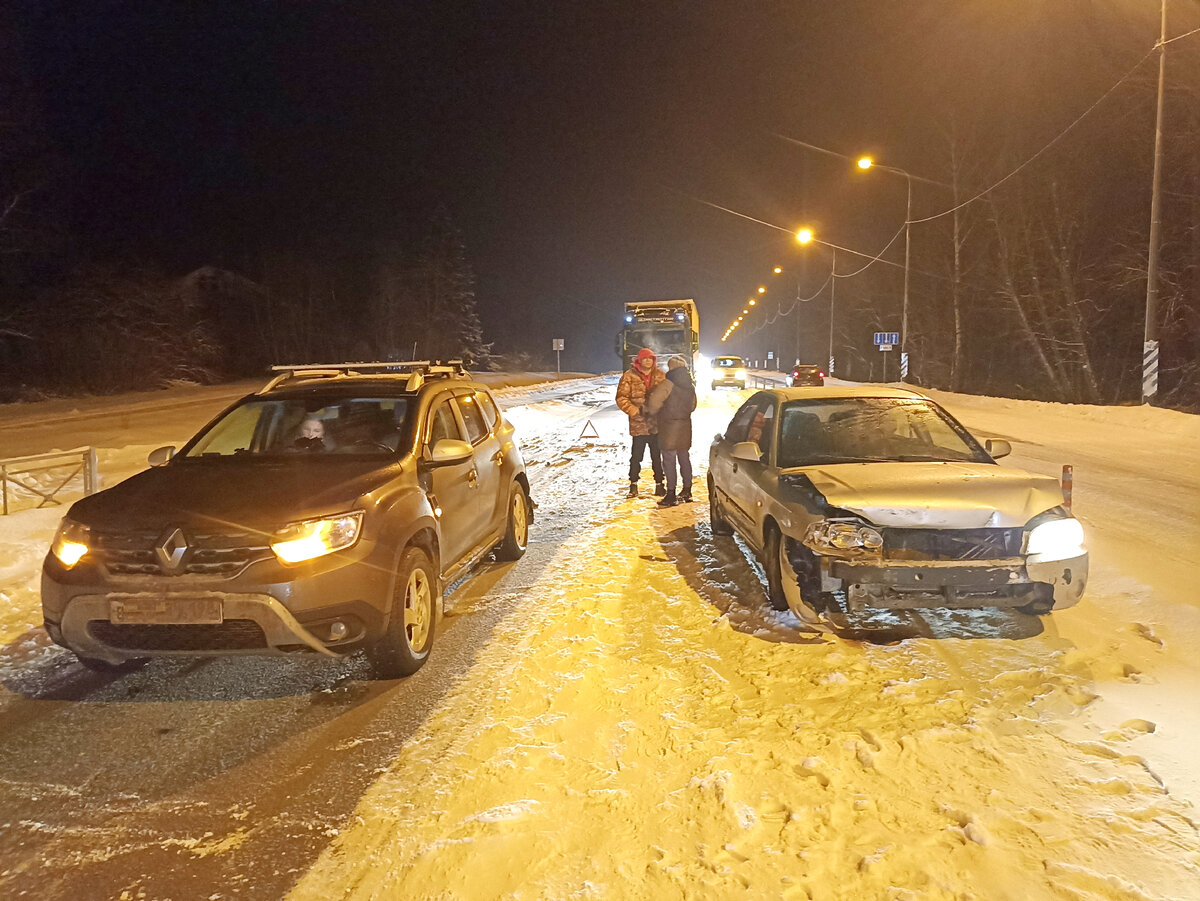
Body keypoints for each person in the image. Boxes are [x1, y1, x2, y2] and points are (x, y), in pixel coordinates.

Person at [645, 354, 697, 506]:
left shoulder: (668, 384)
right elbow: (693, 406)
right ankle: (687, 490)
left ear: (671, 367)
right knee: (684, 457)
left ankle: (671, 494)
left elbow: (654, 403)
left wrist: (660, 412)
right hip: (685, 425)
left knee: (669, 460)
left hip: (668, 426)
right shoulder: (690, 385)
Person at [615, 347, 666, 498]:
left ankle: (659, 484)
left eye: (651, 358)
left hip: (656, 424)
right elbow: (621, 398)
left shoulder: (661, 376)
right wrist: (634, 411)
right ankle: (633, 484)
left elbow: (667, 395)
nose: (648, 361)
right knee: (636, 456)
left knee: (657, 456)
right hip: (638, 425)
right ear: (639, 361)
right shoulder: (629, 376)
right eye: (645, 358)